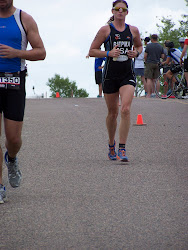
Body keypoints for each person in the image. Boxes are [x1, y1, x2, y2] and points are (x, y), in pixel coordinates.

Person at [0, 0, 46, 204]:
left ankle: (11, 158)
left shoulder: (23, 19)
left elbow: (41, 52)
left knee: (13, 139)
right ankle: (0, 186)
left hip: (14, 80)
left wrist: (16, 53)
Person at [89, 0, 142, 162]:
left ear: (127, 12)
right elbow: (92, 51)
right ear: (112, 11)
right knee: (113, 113)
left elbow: (139, 47)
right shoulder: (105, 30)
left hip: (127, 75)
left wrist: (136, 53)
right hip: (110, 76)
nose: (120, 11)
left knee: (125, 109)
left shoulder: (133, 30)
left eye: (123, 9)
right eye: (117, 9)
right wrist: (108, 53)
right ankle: (111, 143)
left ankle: (122, 148)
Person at [180, 31, 188, 98]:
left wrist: (181, 58)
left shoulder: (187, 40)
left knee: (187, 77)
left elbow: (184, 50)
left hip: (187, 59)